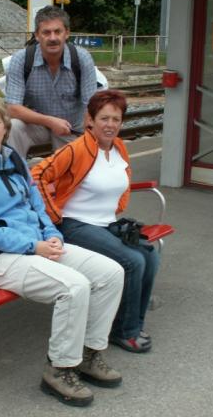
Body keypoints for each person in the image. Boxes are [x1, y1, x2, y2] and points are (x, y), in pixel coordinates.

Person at [0, 93, 124, 407]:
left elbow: (36, 205)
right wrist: (33, 245)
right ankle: (59, 369)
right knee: (74, 287)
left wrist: (52, 235)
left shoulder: (13, 158)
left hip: (36, 246)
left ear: (5, 126)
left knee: (111, 273)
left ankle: (88, 354)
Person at [32, 90, 160, 353]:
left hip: (105, 224)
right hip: (76, 224)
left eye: (116, 119)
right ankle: (124, 332)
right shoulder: (77, 149)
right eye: (104, 118)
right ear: (90, 120)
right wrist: (54, 215)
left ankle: (134, 322)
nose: (110, 125)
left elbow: (122, 181)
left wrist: (119, 207)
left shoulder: (120, 148)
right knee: (132, 261)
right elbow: (37, 175)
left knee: (150, 255)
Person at [5, 5, 97, 158]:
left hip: (71, 128)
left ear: (67, 33)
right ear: (37, 35)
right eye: (46, 32)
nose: (53, 38)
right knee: (13, 127)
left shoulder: (81, 58)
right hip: (37, 125)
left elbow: (92, 106)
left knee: (70, 174)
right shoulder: (21, 60)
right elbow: (12, 108)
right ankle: (15, 175)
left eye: (57, 31)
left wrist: (88, 139)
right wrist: (50, 121)